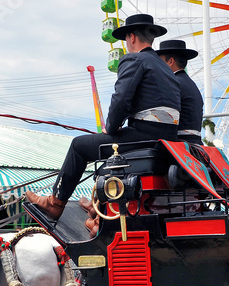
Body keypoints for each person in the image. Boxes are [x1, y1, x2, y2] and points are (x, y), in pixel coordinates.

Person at [26, 14, 180, 219]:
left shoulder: (135, 59)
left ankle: (55, 203)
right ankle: (98, 210)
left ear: (131, 37)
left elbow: (121, 100)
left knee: (78, 146)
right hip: (165, 141)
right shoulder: (166, 69)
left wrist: (112, 128)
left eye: (126, 39)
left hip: (143, 137)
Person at [156, 39, 204, 145]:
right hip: (195, 143)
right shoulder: (190, 84)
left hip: (180, 145)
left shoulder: (172, 84)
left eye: (160, 62)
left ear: (171, 62)